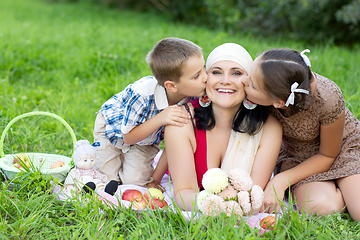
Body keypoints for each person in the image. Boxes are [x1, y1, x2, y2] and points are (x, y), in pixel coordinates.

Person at [243, 48, 360, 220]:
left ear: (279, 103)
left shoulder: (328, 98)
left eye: (252, 83)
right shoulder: (269, 88)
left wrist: (280, 180)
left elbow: (328, 154)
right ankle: (337, 189)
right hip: (296, 156)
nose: (244, 81)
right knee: (323, 207)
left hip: (343, 150)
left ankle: (350, 184)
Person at [164, 43, 282, 211]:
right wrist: (218, 207)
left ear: (249, 81)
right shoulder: (182, 121)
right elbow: (184, 193)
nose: (225, 81)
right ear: (206, 77)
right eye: (216, 72)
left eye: (236, 73)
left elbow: (253, 195)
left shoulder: (269, 127)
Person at [93, 37, 207, 187]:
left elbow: (174, 142)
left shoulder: (193, 98)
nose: (206, 77)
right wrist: (160, 118)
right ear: (171, 86)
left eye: (204, 68)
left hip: (147, 139)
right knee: (107, 181)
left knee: (135, 183)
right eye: (197, 76)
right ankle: (117, 157)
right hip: (113, 128)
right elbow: (128, 137)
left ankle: (126, 159)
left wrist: (155, 179)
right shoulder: (142, 95)